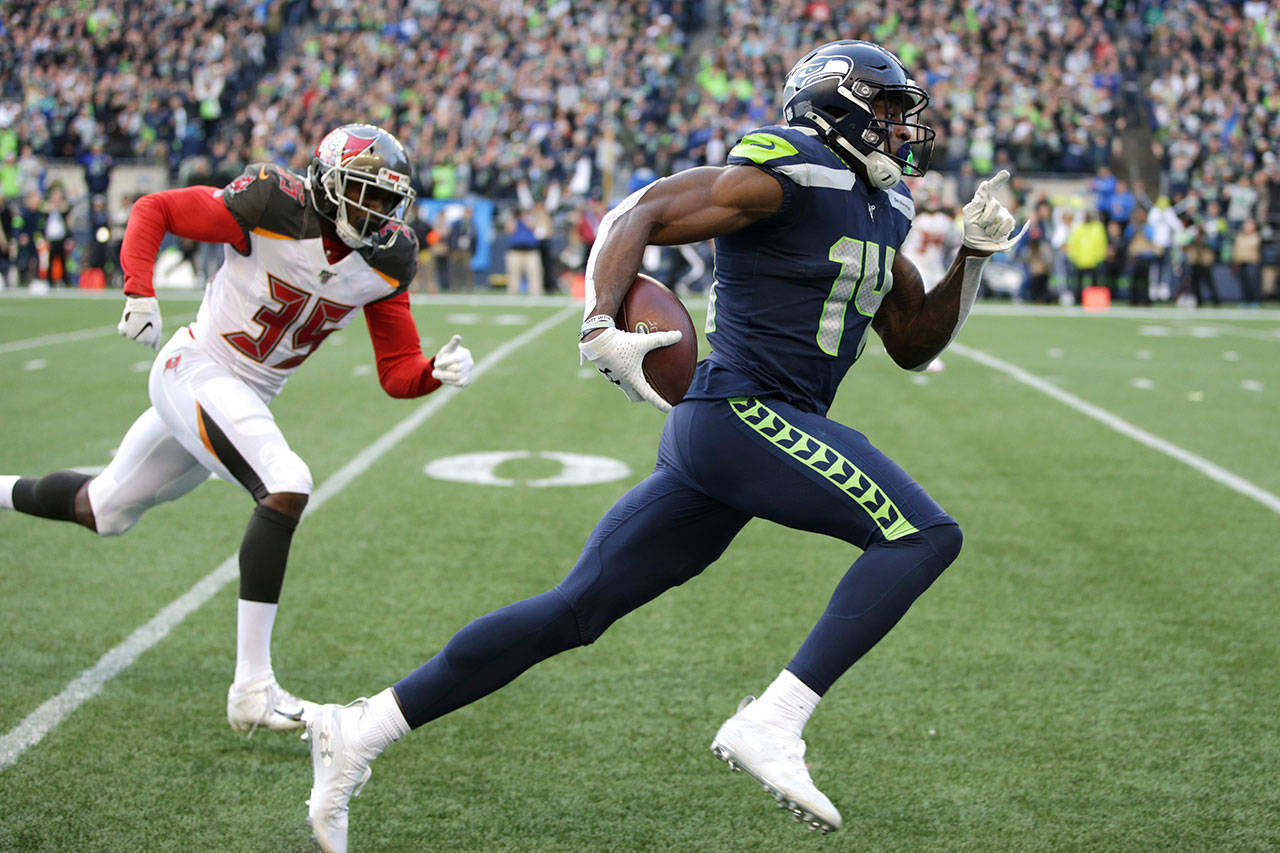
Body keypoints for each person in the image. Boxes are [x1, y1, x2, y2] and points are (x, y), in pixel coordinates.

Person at [301, 42, 1024, 853]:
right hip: (742, 411)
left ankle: (360, 726)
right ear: (839, 106)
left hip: (738, 433)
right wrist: (600, 322)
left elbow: (913, 343)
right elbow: (636, 213)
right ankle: (774, 722)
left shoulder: (882, 208)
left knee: (572, 611)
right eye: (888, 111)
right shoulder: (788, 165)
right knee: (923, 534)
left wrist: (972, 257)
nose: (902, 130)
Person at [0, 124, 475, 735]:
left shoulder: (389, 257)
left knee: (105, 508)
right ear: (327, 184)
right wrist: (139, 290)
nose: (377, 211)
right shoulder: (272, 201)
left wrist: (432, 370)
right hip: (196, 367)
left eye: (388, 200)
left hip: (242, 395)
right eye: (365, 193)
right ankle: (253, 686)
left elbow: (396, 371)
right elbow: (157, 208)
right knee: (287, 481)